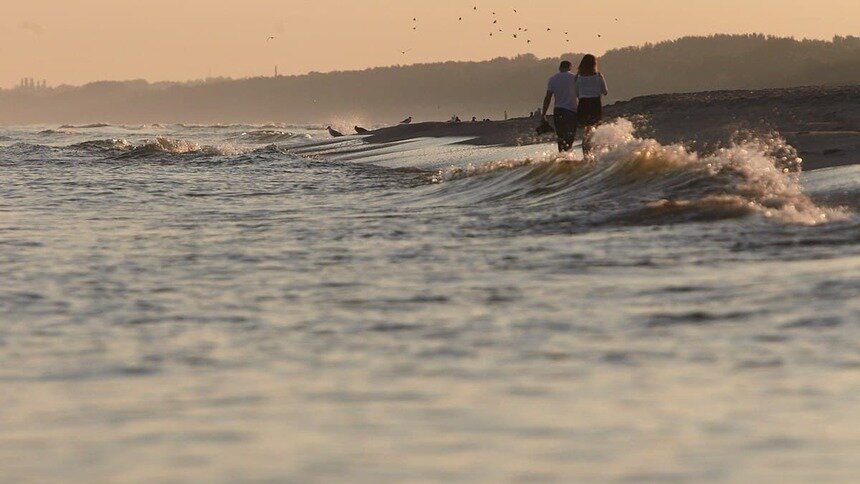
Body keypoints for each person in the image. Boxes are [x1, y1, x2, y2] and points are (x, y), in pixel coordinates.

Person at [574, 54, 608, 157]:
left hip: (583, 104)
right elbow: (605, 91)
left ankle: (586, 155)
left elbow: (576, 93)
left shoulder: (578, 78)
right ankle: (595, 154)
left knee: (586, 131)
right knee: (595, 129)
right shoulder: (598, 76)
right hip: (595, 103)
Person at [541, 60, 578, 152]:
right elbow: (580, 94)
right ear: (570, 67)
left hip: (558, 110)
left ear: (560, 68)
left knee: (560, 136)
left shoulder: (552, 79)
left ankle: (561, 156)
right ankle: (568, 155)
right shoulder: (575, 78)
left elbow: (548, 97)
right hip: (570, 110)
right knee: (570, 135)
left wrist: (543, 114)